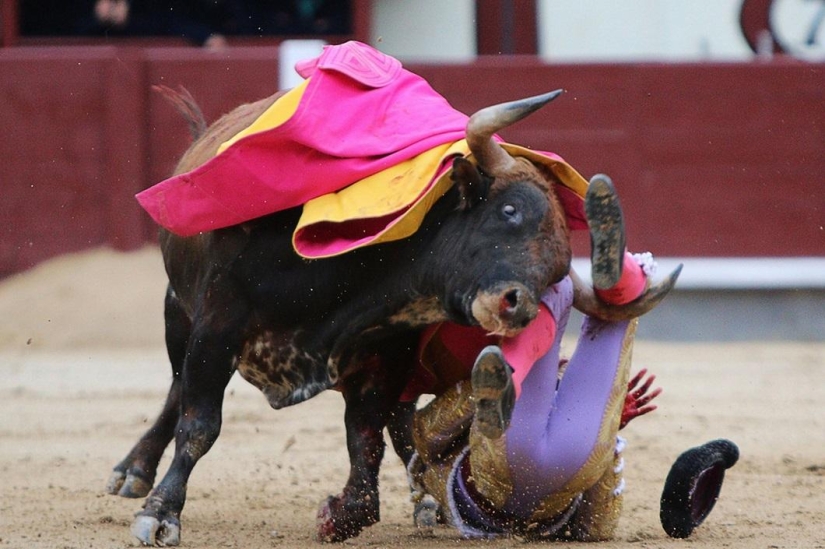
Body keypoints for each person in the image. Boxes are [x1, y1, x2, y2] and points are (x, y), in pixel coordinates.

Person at [401, 175, 736, 540]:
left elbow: (424, 435)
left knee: (560, 289)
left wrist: (476, 395)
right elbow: (597, 529)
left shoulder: (433, 473)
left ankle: (511, 376)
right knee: (590, 302)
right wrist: (608, 428)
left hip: (518, 463)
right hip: (568, 470)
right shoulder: (438, 471)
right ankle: (619, 279)